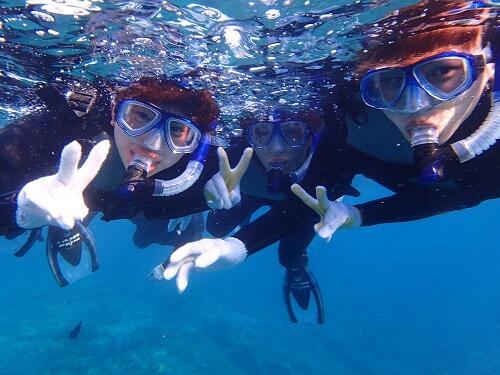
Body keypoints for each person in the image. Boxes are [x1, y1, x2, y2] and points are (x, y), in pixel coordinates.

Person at [0, 76, 251, 286]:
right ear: (113, 111)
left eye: (176, 131)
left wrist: (204, 200)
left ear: (194, 144)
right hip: (90, 198)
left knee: (150, 239)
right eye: (140, 116)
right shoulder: (57, 127)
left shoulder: (205, 164)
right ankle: (61, 222)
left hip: (136, 205)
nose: (152, 145)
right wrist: (19, 209)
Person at [290, 0, 500, 242]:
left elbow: (466, 195)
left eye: (442, 72)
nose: (415, 105)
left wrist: (361, 215)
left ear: (487, 71)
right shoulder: (351, 122)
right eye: (390, 81)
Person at [204, 108, 327, 323]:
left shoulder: (327, 158)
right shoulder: (237, 150)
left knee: (289, 257)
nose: (276, 148)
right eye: (261, 134)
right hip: (253, 192)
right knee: (215, 227)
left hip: (301, 205)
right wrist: (213, 194)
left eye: (293, 133)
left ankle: (297, 266)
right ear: (248, 138)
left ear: (310, 138)